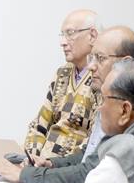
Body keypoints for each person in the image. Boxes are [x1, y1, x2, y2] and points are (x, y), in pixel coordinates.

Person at [0, 26, 134, 183]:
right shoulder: (78, 79)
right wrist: (47, 163)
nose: (91, 66)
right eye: (92, 58)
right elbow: (88, 154)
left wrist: (26, 175)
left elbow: (87, 173)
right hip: (65, 175)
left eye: (100, 58)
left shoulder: (118, 105)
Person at [23, 9, 100, 158]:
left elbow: (93, 141)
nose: (63, 42)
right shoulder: (62, 74)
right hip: (42, 162)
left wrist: (52, 165)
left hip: (68, 165)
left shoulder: (100, 78)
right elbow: (39, 124)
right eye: (62, 35)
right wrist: (32, 157)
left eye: (70, 33)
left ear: (92, 36)